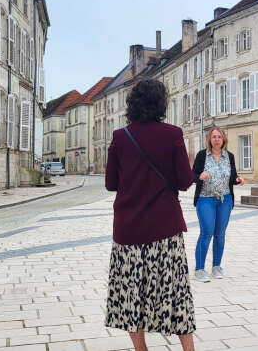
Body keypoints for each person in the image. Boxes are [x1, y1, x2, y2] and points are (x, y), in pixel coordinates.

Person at [104, 79, 196, 351]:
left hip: (128, 231)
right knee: (175, 294)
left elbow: (111, 184)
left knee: (132, 295)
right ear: (161, 103)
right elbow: (183, 181)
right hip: (164, 230)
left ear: (132, 104)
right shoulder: (173, 134)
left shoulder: (120, 137)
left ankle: (141, 349)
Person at [192, 126, 244, 282]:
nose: (216, 140)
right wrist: (200, 175)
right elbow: (192, 175)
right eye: (214, 137)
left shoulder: (230, 156)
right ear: (209, 139)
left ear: (223, 139)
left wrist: (238, 180)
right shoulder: (202, 155)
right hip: (205, 198)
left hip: (225, 199)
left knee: (220, 234)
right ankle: (199, 269)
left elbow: (232, 176)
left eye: (219, 137)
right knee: (207, 232)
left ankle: (216, 267)